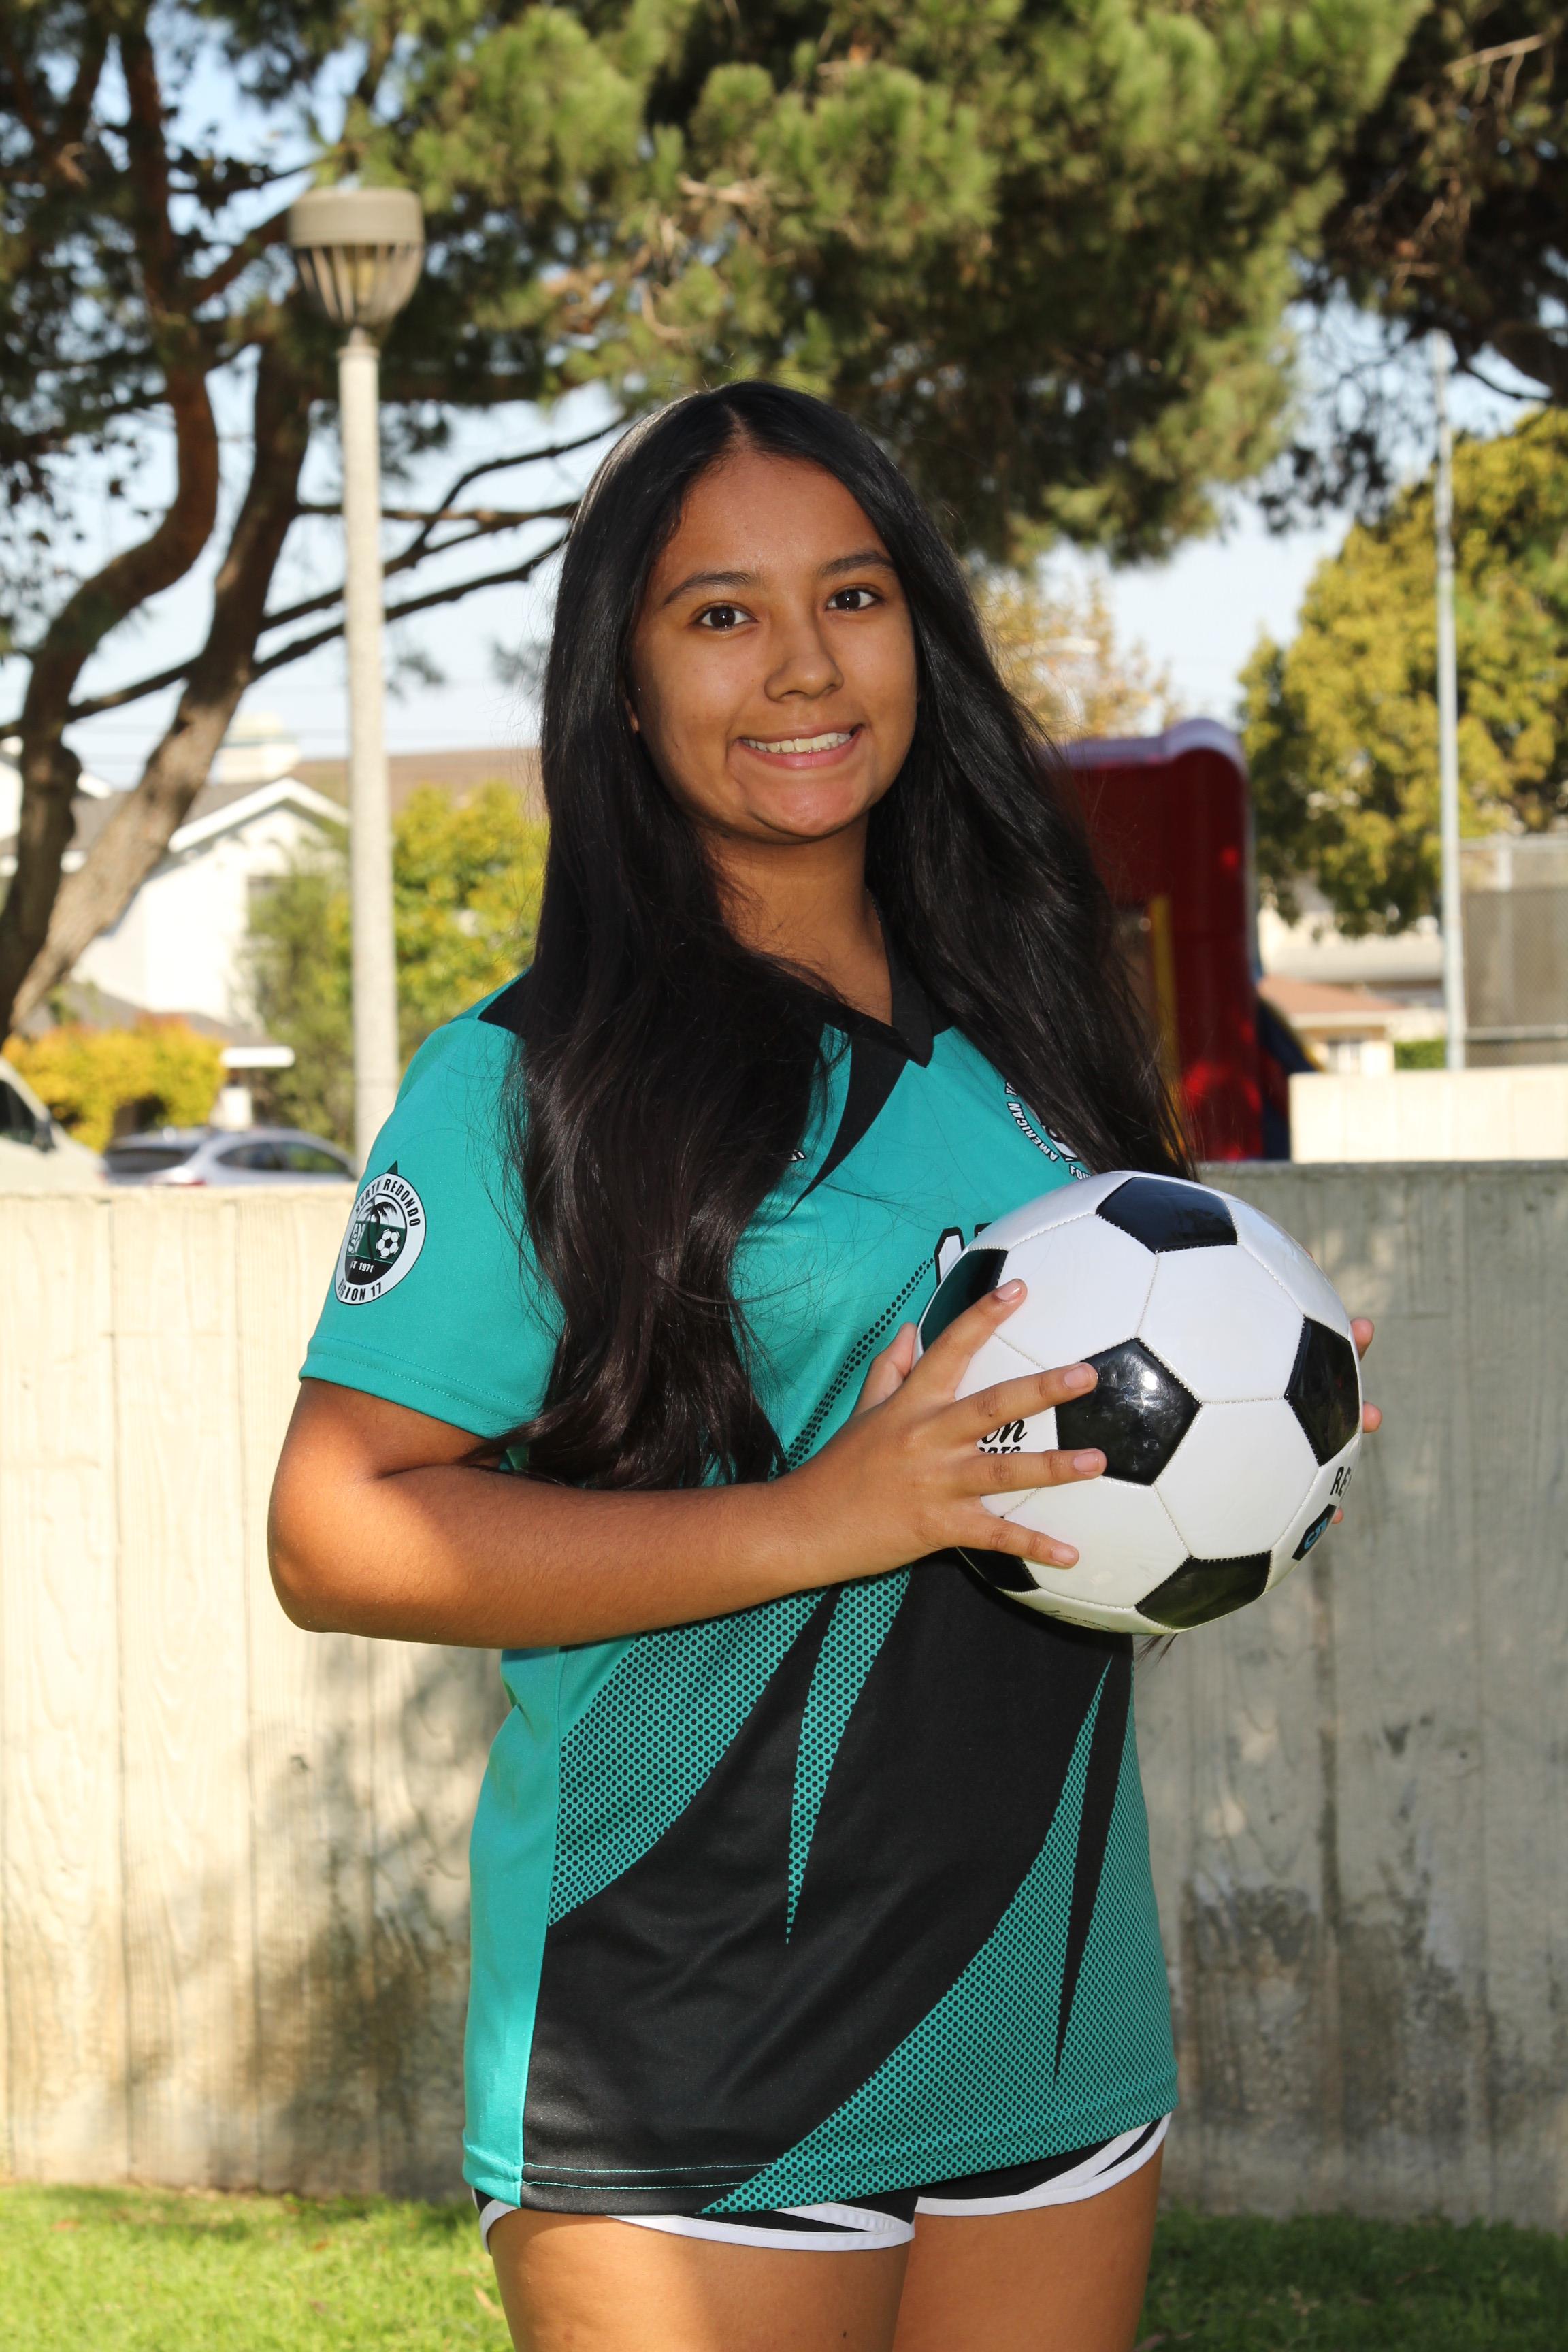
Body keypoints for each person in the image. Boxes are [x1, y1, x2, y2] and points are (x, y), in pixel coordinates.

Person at [270, 382, 1379, 2352]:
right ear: (620, 687)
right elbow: (333, 1533)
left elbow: (1059, 1456)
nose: (802, 664)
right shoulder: (529, 1080)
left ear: (918, 636)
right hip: (689, 2043)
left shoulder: (1030, 1024)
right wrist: (820, 1518)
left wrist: (1248, 1426)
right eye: (721, 614)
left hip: (1045, 2014)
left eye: (852, 597)